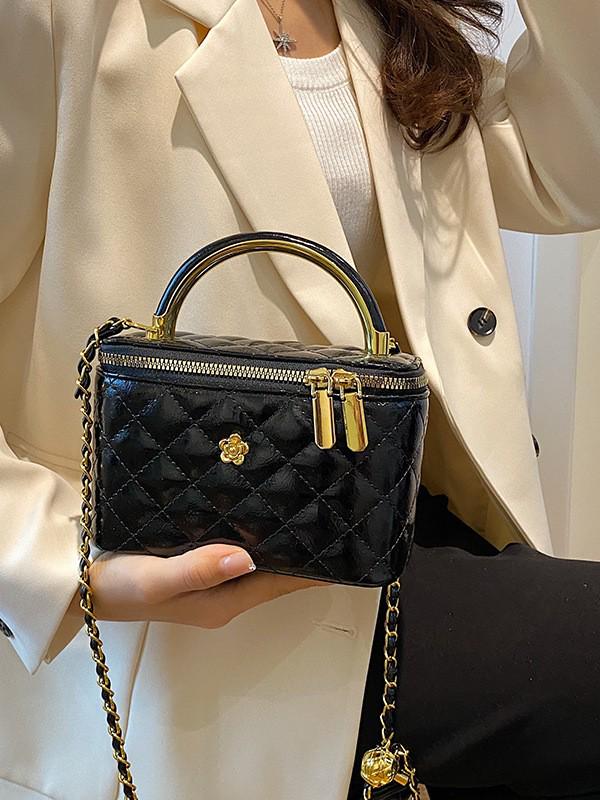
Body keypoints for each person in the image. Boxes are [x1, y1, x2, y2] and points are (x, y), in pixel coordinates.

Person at [0, 0, 599, 798]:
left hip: (395, 534)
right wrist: (58, 565)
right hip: (191, 621)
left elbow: (573, 169)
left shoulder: (376, 16)